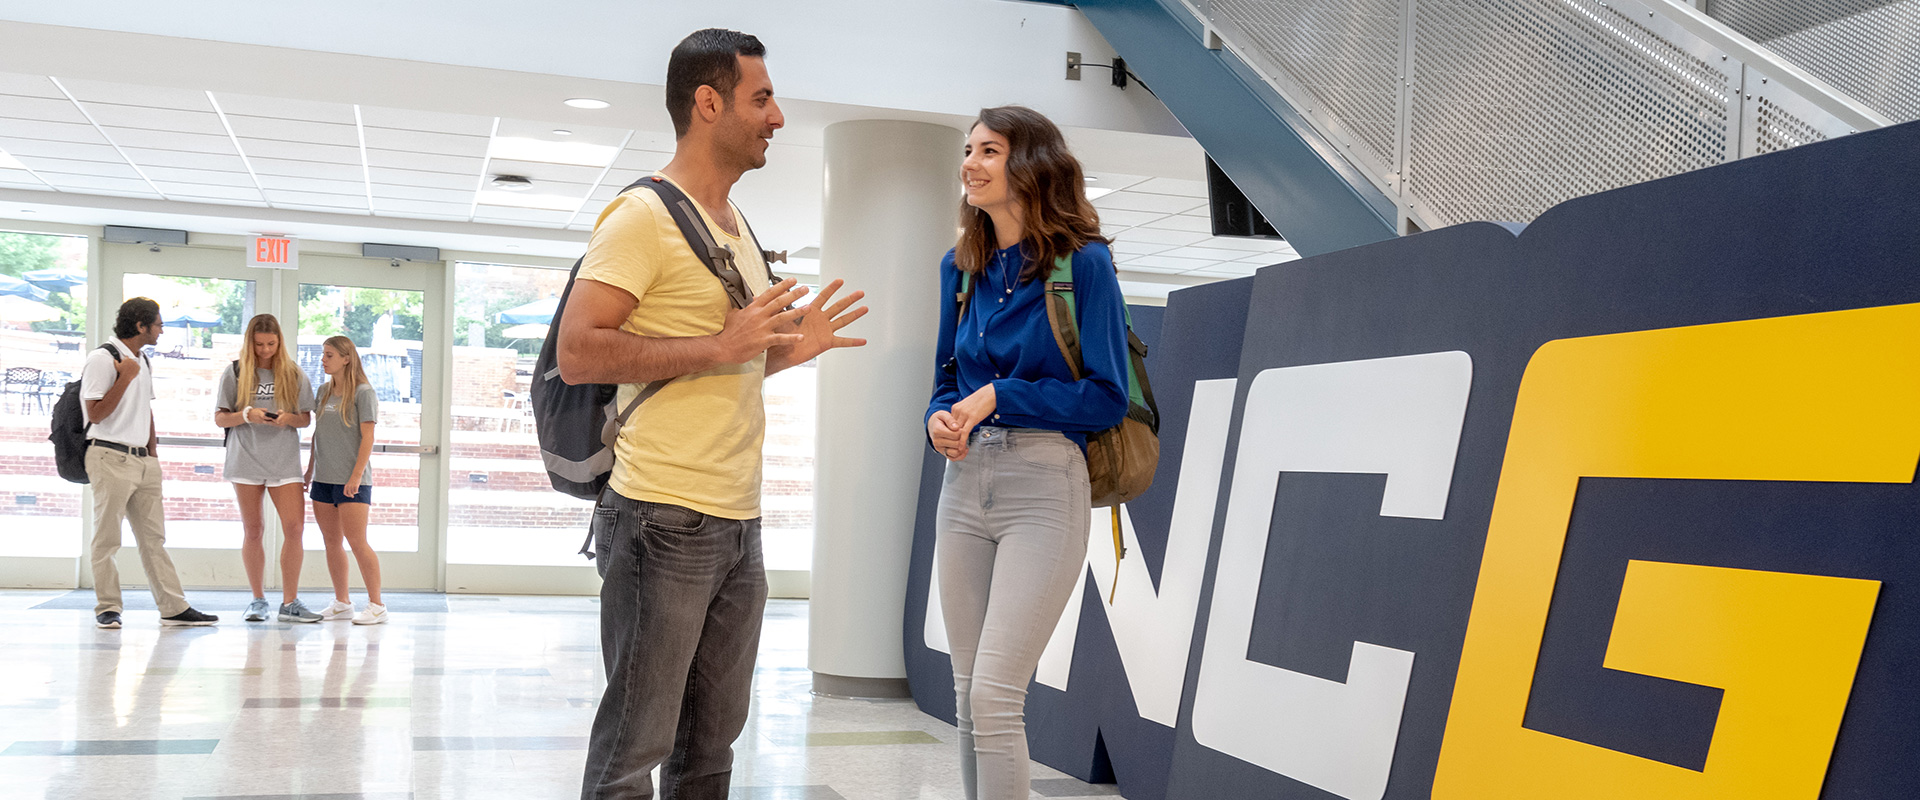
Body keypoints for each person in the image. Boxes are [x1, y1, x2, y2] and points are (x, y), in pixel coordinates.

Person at [556, 28, 868, 800]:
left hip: (737, 525)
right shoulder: (641, 216)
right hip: (662, 518)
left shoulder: (735, 226)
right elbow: (580, 352)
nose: (778, 118)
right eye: (761, 99)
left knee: (711, 749)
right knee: (634, 749)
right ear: (708, 103)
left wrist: (794, 350)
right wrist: (720, 343)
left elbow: (730, 360)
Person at [925, 105, 1130, 800]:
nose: (970, 164)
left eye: (988, 150)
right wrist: (938, 420)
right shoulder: (960, 268)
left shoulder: (1084, 265)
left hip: (1044, 487)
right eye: (969, 151)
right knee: (965, 696)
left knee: (994, 695)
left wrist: (1001, 396)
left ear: (1030, 165)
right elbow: (945, 381)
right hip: (963, 485)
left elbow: (1106, 398)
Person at [81, 297, 219, 629]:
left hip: (143, 461)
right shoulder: (104, 359)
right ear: (140, 326)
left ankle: (173, 606)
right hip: (109, 456)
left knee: (153, 539)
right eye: (157, 324)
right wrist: (125, 377)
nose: (161, 329)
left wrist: (153, 455)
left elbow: (146, 408)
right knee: (107, 538)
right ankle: (108, 606)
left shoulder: (142, 359)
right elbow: (95, 413)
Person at [215, 314, 317, 623]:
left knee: (295, 528)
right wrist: (247, 414)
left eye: (271, 344)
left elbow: (305, 418)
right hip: (245, 457)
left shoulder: (294, 373)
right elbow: (221, 418)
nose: (265, 350)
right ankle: (258, 600)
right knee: (254, 529)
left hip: (284, 460)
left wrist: (287, 418)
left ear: (280, 342)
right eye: (259, 344)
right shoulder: (235, 372)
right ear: (250, 342)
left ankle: (290, 602)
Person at [305, 335, 386, 626]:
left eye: (329, 355)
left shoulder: (364, 393)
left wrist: (354, 477)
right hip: (323, 479)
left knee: (357, 542)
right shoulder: (324, 391)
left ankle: (377, 605)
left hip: (353, 482)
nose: (323, 360)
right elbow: (319, 434)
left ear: (346, 358)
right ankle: (342, 602)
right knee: (331, 542)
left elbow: (368, 437)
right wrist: (309, 469)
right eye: (323, 355)